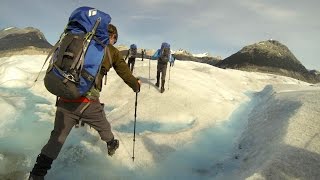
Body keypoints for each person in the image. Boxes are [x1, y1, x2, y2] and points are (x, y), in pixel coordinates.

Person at [28, 24, 141, 180]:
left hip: (65, 98)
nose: (114, 42)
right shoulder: (111, 50)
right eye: (115, 39)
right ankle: (111, 145)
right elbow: (125, 73)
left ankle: (36, 174)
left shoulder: (80, 42)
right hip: (88, 103)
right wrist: (136, 85)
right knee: (104, 127)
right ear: (112, 36)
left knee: (56, 139)